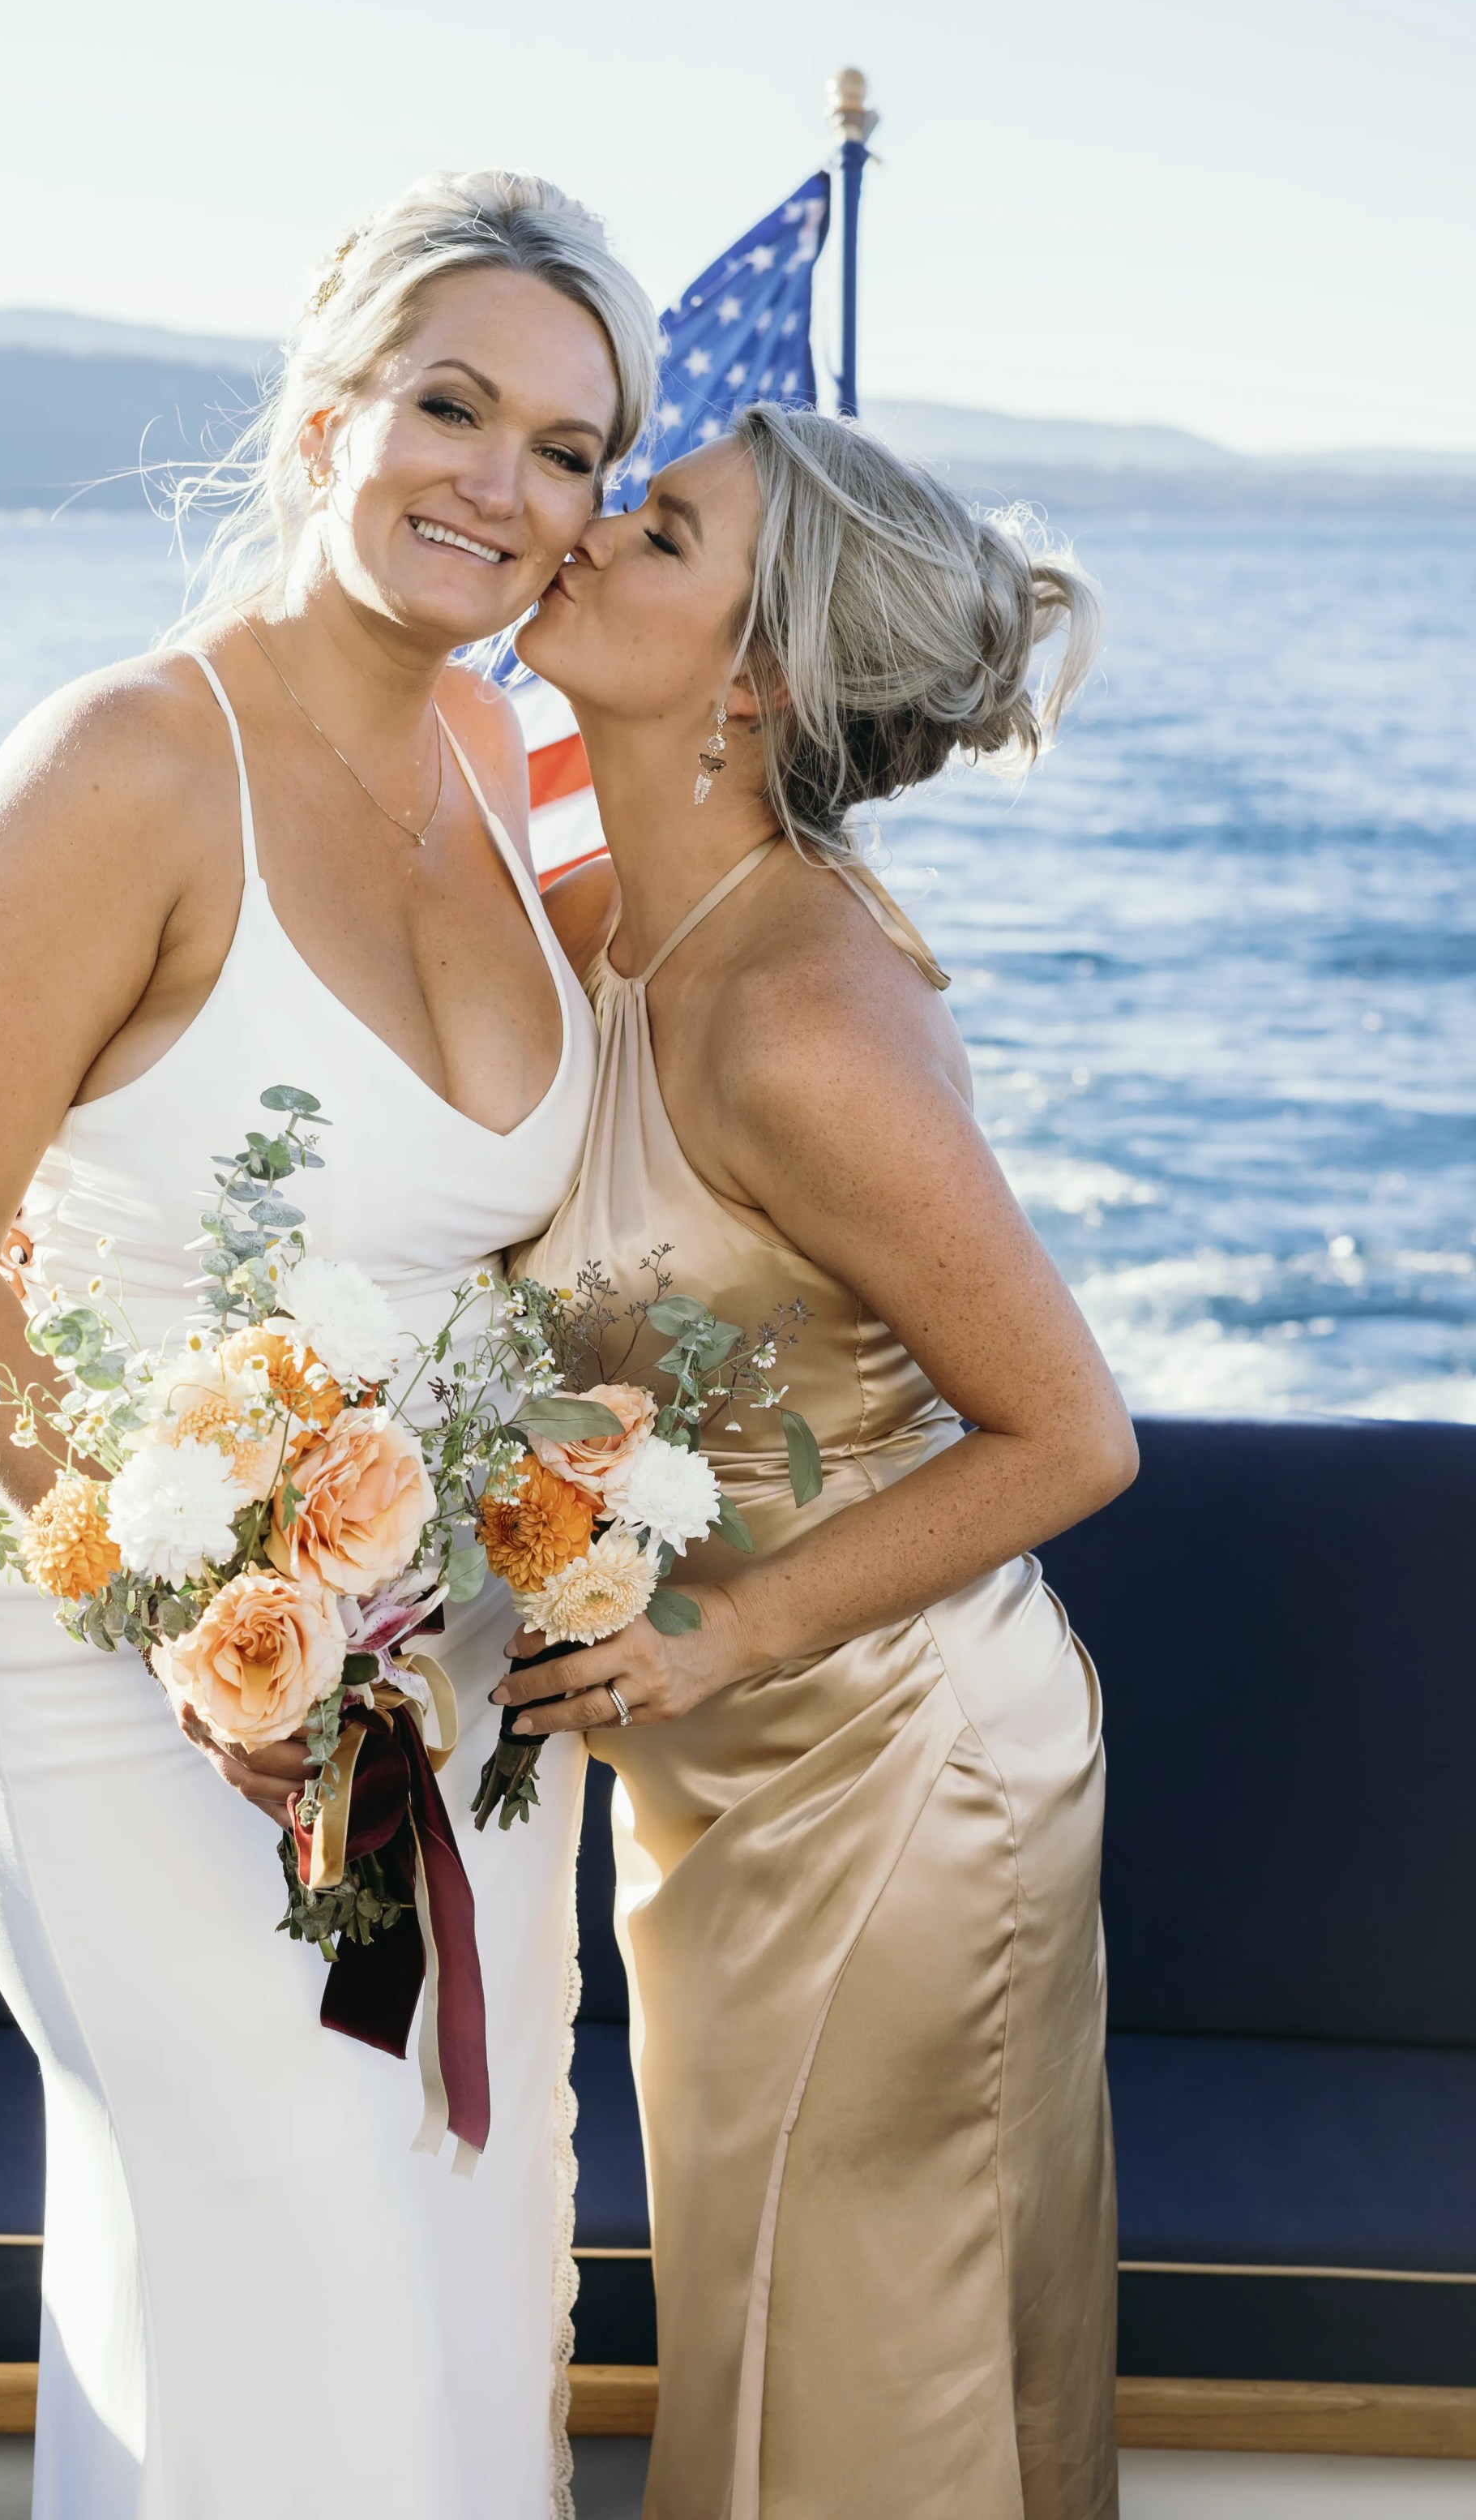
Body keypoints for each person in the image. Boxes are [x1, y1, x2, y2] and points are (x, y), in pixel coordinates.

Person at [0, 169, 657, 2520]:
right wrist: (207, 1623)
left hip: (454, 1667)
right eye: (450, 404)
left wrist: (580, 1515)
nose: (499, 484)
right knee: (290, 2232)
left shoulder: (509, 776)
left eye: (571, 450)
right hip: (115, 1649)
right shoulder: (124, 761)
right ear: (327, 415)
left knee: (458, 2241)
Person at [507, 404, 1134, 2520]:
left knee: (877, 2388)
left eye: (656, 528)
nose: (584, 529)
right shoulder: (584, 909)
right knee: (765, 2348)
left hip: (890, 1770)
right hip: (716, 1781)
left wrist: (723, 1635)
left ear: (756, 674)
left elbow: (1074, 1433)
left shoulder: (796, 1020)